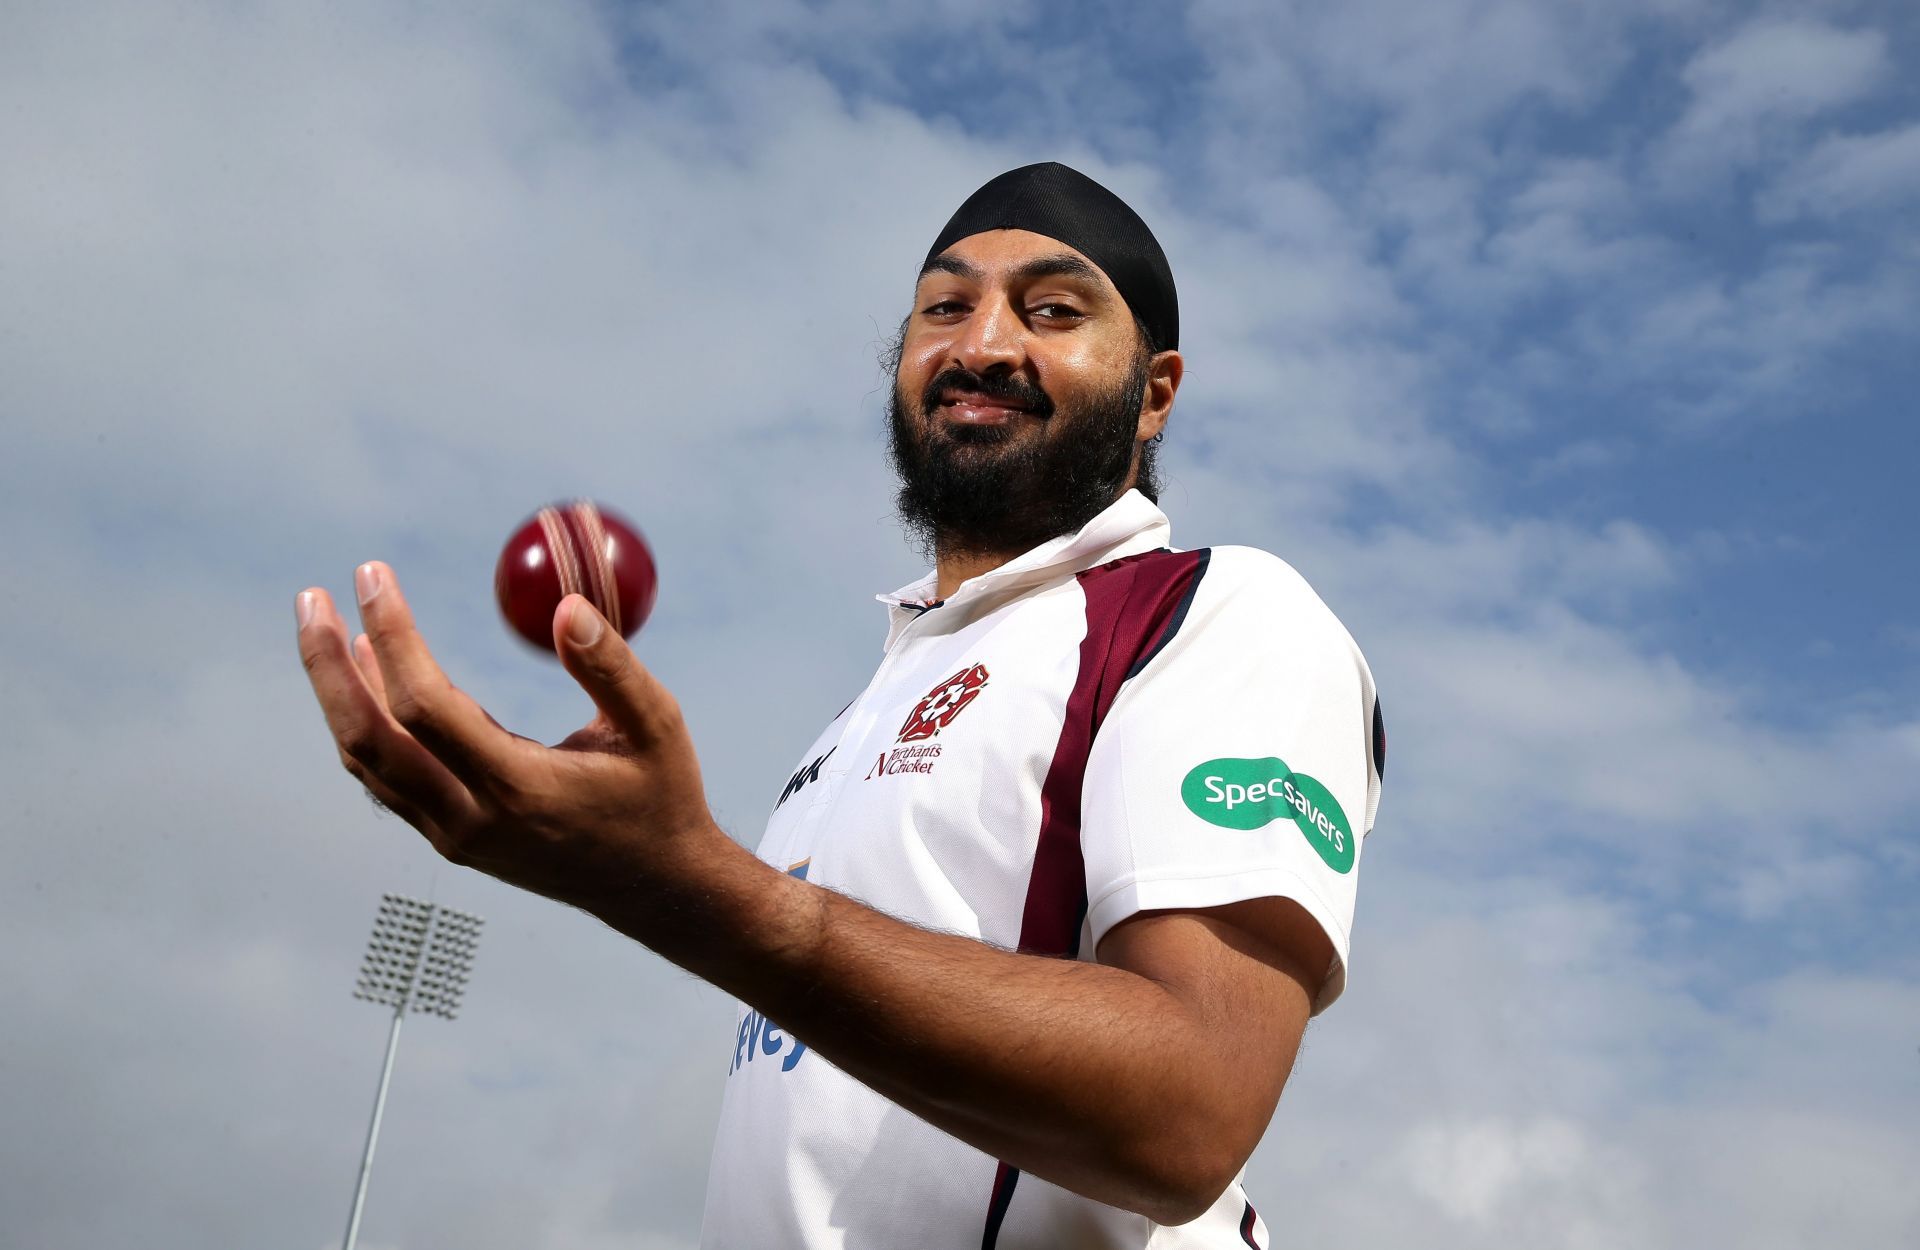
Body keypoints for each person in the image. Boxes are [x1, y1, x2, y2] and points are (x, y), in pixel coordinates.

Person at [295, 162, 1384, 1248]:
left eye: (1052, 310)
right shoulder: (853, 719)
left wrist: (691, 885)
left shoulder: (1215, 611)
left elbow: (1186, 1113)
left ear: (1154, 391)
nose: (983, 344)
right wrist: (641, 857)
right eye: (945, 308)